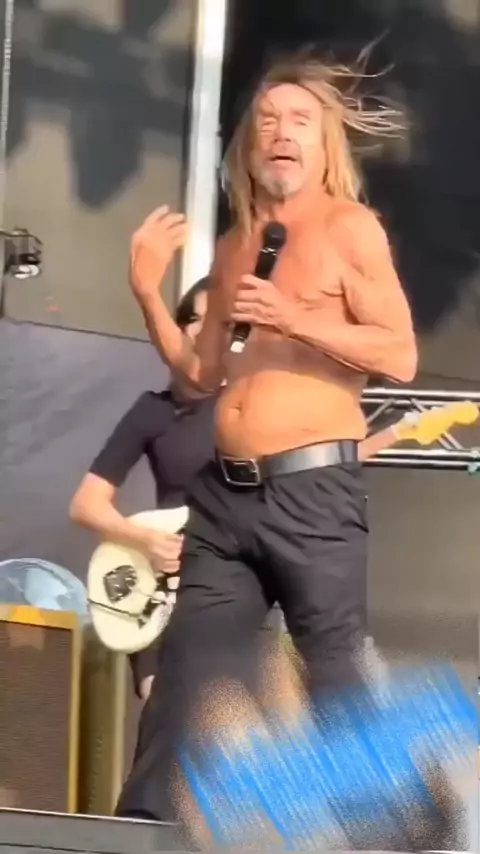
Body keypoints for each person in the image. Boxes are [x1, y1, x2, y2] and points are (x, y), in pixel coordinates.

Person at [116, 53, 418, 824]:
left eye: (300, 121)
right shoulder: (236, 245)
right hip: (226, 496)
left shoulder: (350, 229)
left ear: (324, 144)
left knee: (334, 671)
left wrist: (294, 319)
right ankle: (145, 825)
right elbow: (201, 373)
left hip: (312, 490)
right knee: (188, 666)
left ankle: (376, 832)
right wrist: (148, 292)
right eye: (268, 122)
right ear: (250, 146)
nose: (282, 133)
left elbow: (399, 354)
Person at [69, 278, 214, 701]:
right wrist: (144, 540)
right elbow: (86, 504)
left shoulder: (248, 407)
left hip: (230, 589)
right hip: (161, 590)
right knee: (162, 718)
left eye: (216, 320)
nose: (200, 329)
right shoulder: (153, 410)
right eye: (192, 318)